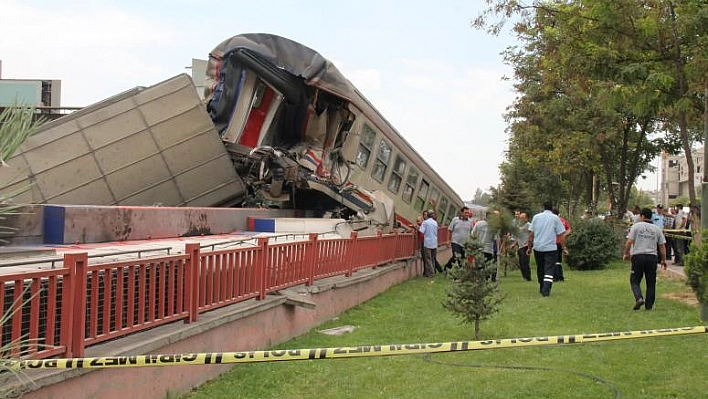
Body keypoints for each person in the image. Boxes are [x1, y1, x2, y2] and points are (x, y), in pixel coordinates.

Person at [622, 207, 667, 310]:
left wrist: (626, 253)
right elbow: (662, 246)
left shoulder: (636, 226)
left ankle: (639, 298)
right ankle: (649, 306)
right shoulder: (657, 229)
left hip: (638, 256)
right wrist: (663, 260)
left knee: (635, 280)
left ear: (642, 216)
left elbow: (629, 242)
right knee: (651, 282)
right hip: (652, 257)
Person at [527, 200, 566, 296]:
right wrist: (564, 247)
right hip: (550, 248)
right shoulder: (555, 218)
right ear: (552, 207)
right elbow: (561, 234)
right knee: (549, 269)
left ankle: (542, 286)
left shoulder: (536, 217)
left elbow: (531, 235)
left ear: (543, 207)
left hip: (538, 247)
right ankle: (546, 289)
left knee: (540, 268)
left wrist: (529, 247)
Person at [471, 212, 497, 280]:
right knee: (487, 266)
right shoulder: (494, 226)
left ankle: (478, 278)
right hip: (488, 249)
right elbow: (495, 239)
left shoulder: (478, 223)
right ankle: (485, 279)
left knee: (479, 265)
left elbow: (473, 234)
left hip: (478, 248)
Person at [511, 211, 532, 281]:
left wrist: (529, 245)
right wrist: (514, 244)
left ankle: (528, 277)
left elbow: (532, 235)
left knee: (525, 262)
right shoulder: (519, 226)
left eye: (522, 218)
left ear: (526, 218)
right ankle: (524, 276)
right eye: (520, 218)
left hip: (526, 246)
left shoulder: (529, 225)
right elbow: (518, 237)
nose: (521, 219)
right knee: (521, 263)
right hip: (520, 246)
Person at [552, 207, 570, 282]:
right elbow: (569, 229)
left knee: (553, 261)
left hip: (553, 243)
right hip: (560, 243)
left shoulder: (552, 220)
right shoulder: (562, 220)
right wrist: (564, 235)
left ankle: (555, 277)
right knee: (559, 261)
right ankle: (560, 276)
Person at [418, 209, 438, 278]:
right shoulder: (435, 223)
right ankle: (431, 272)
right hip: (434, 242)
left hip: (427, 243)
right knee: (432, 258)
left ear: (428, 215)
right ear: (432, 215)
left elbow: (421, 231)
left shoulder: (425, 223)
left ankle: (431, 273)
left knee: (428, 259)